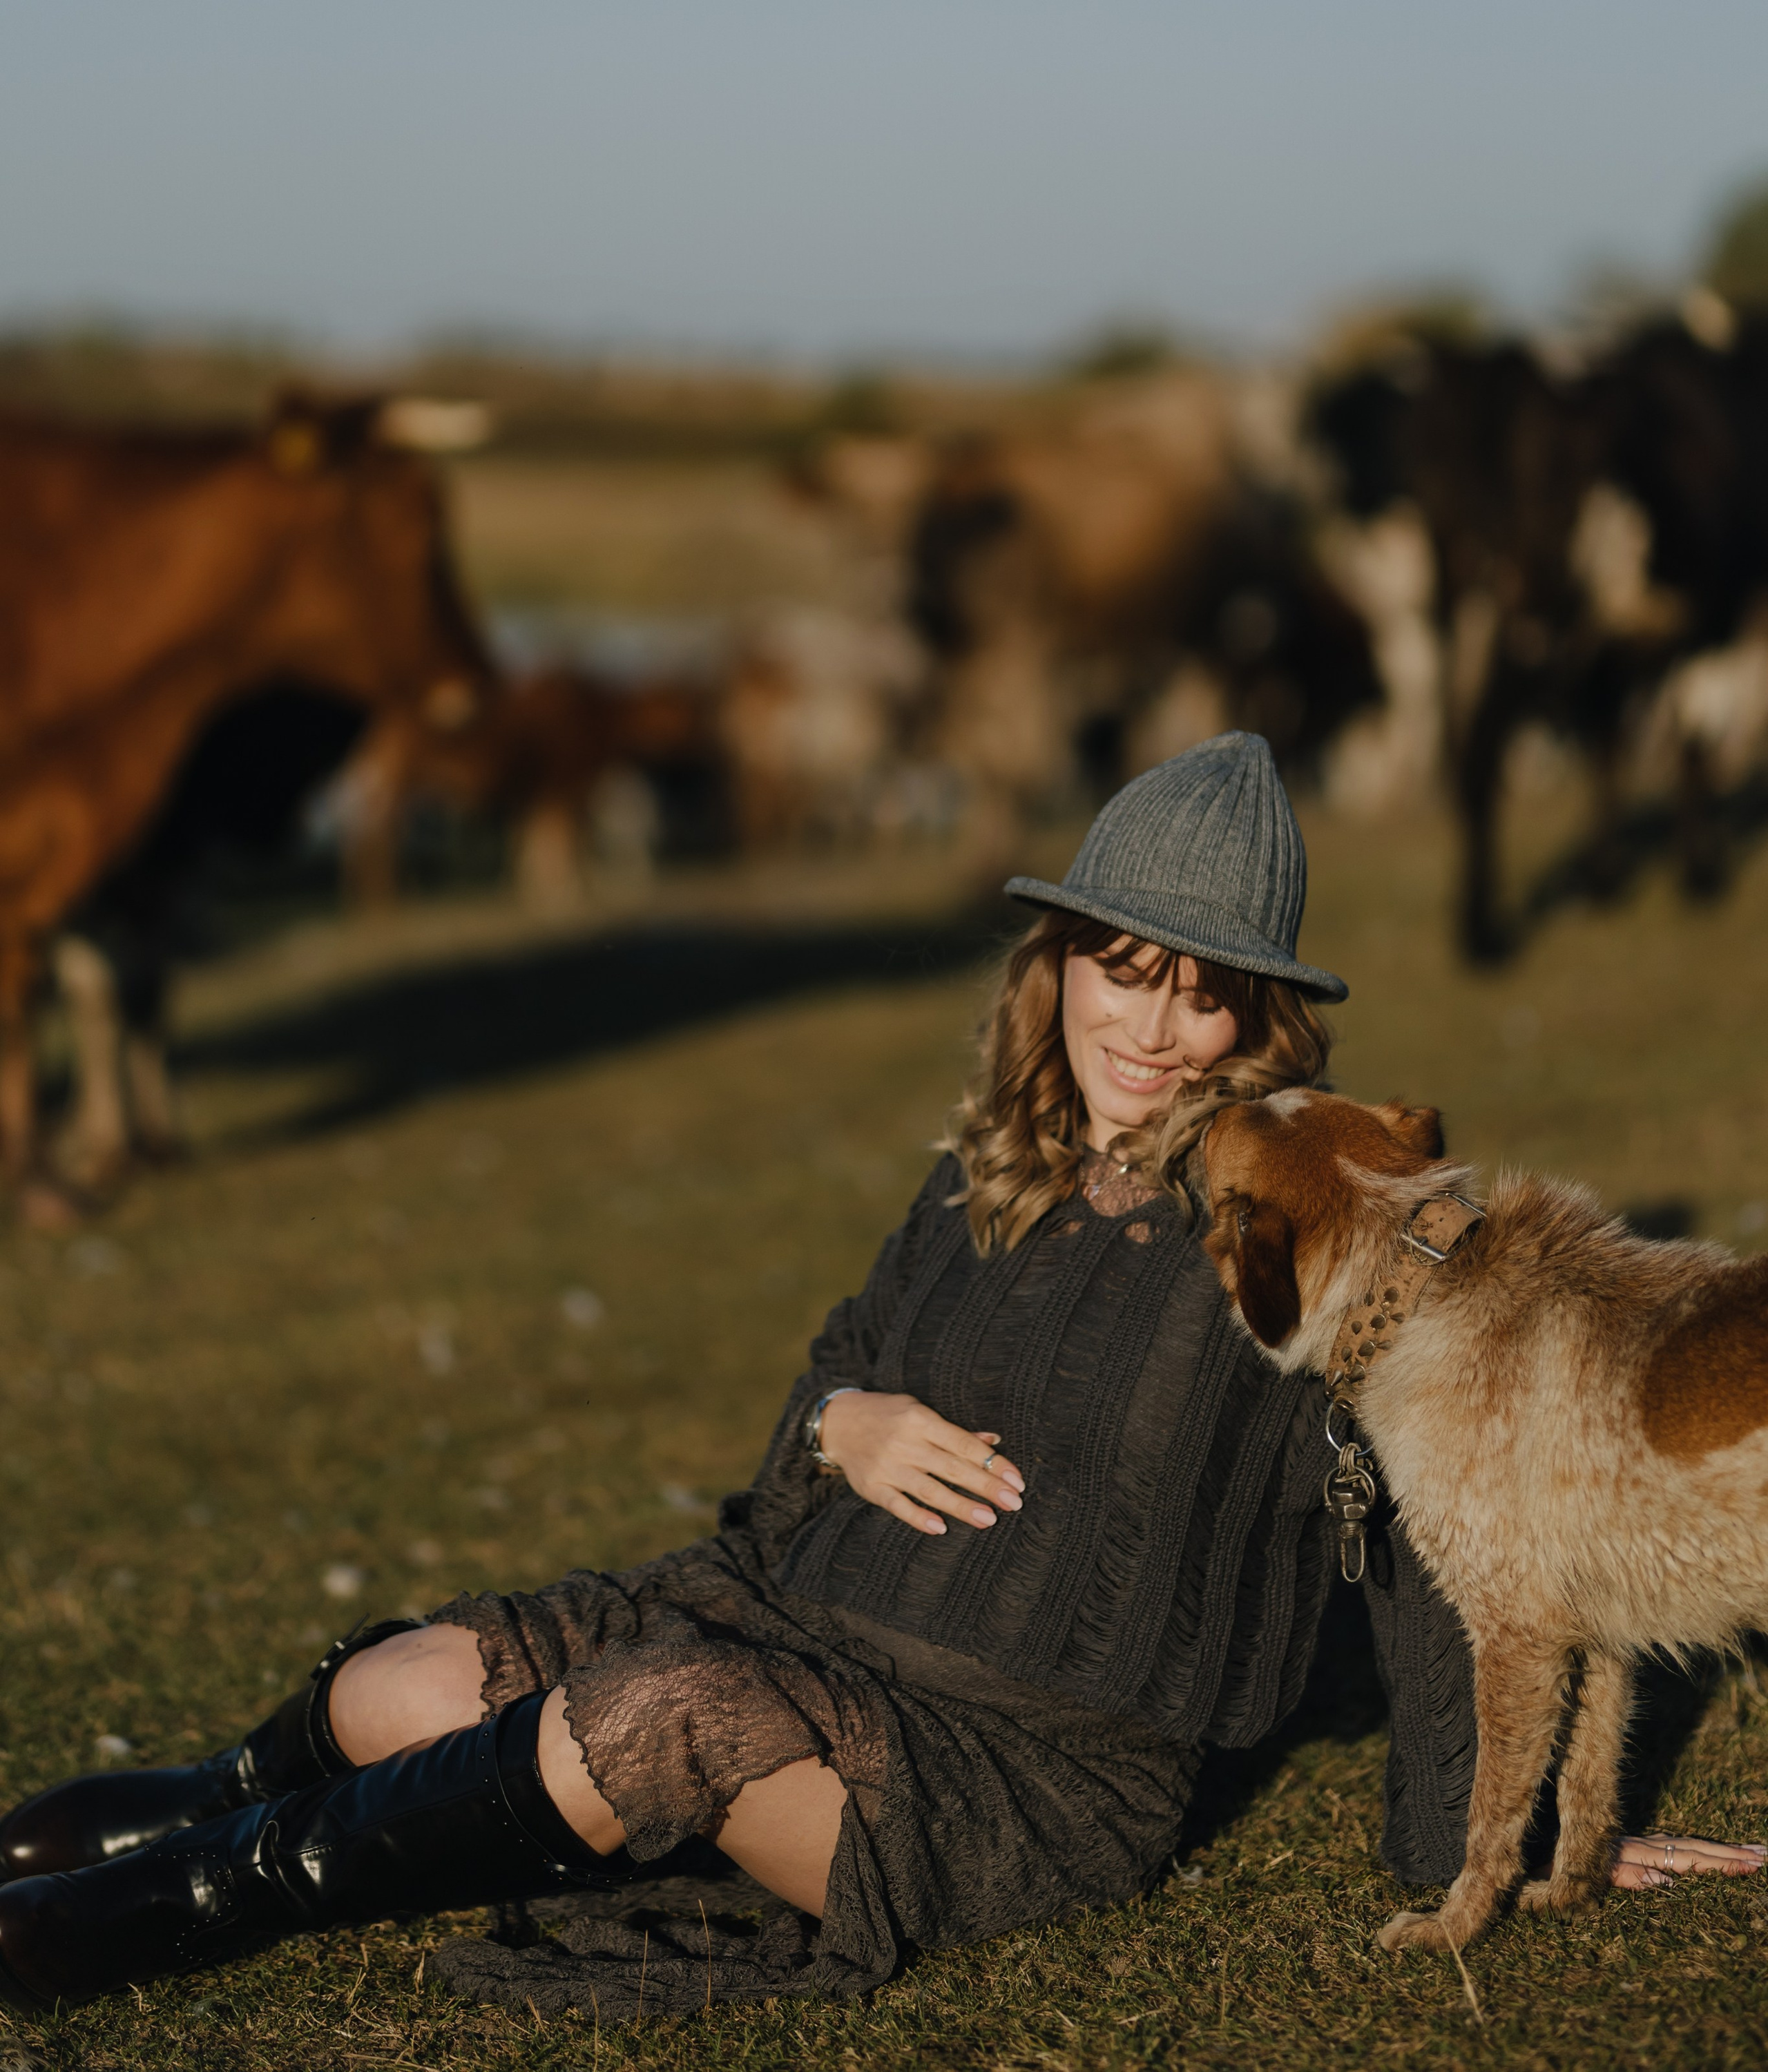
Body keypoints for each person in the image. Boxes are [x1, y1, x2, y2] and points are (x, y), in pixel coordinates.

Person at [0, 733, 1756, 2024]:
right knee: (396, 1694)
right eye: (1118, 969)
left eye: (1201, 994)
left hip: (1020, 1761)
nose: (1148, 1029)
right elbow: (831, 1377)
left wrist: (1506, 1835)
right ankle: (205, 1800)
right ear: (1057, 961)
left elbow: (1422, 1550)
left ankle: (161, 1915)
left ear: (1260, 1020)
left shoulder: (1292, 1239)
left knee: (656, 1721)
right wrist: (840, 1424)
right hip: (795, 1611)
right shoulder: (988, 1161)